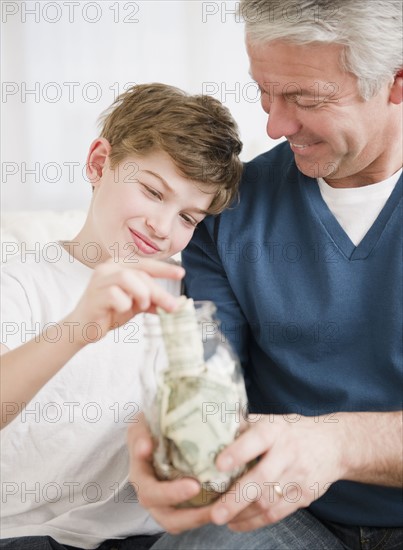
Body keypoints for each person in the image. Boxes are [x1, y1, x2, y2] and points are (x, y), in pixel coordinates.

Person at [127, 1, 403, 549]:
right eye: (265, 92)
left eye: (305, 98)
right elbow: (211, 374)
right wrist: (164, 437)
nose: (274, 125)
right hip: (283, 514)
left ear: (396, 84)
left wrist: (337, 444)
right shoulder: (229, 212)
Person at [0, 83, 242, 549]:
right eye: (153, 191)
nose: (162, 227)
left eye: (189, 218)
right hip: (27, 533)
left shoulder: (189, 294)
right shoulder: (21, 285)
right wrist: (77, 329)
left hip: (145, 534)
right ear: (98, 164)